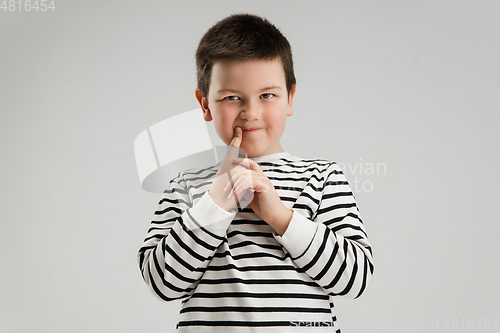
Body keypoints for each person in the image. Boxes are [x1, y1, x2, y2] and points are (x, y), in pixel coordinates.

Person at [137, 13, 374, 332]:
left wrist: (281, 217)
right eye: (232, 97)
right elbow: (162, 281)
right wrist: (214, 206)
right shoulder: (186, 186)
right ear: (205, 103)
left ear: (290, 97)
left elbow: (355, 278)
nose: (250, 112)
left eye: (267, 95)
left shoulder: (322, 177)